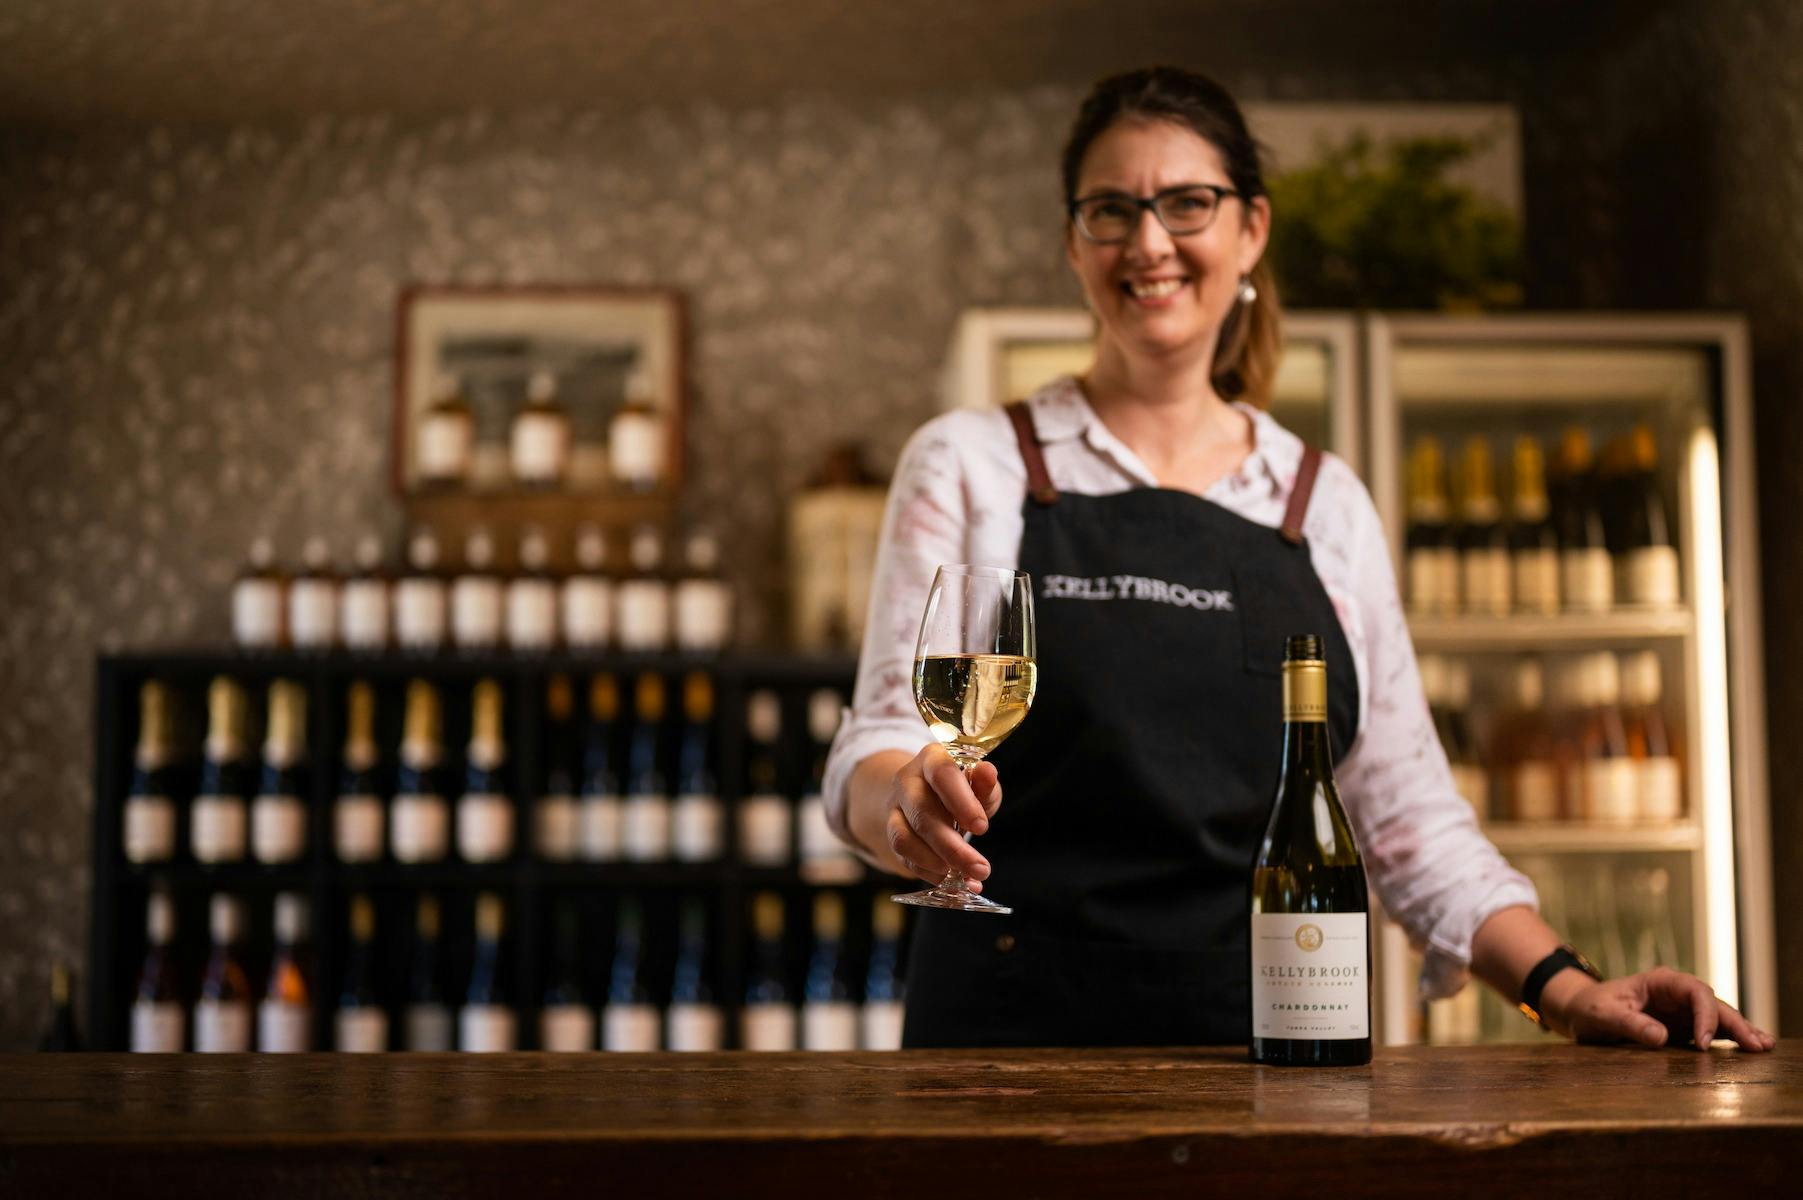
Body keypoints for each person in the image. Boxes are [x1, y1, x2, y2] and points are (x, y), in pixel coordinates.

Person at [821, 66, 1774, 1053]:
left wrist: (1565, 989)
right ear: (1074, 244)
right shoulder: (970, 462)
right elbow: (879, 741)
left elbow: (1408, 822)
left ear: (1252, 232)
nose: (1149, 241)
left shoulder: (1324, 505)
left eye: (1187, 203)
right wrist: (904, 796)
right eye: (1112, 210)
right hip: (1000, 1061)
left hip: (1266, 1060)